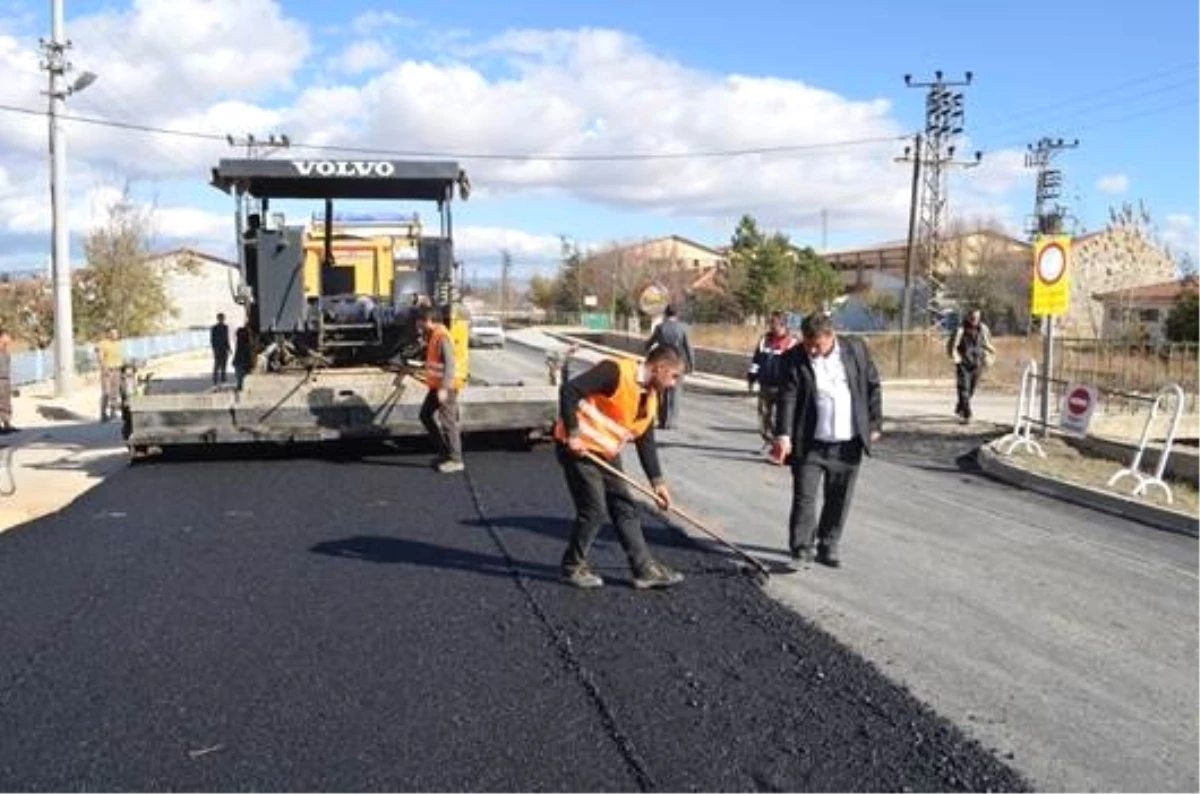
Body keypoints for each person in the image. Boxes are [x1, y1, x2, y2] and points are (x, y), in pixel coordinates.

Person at [554, 345, 687, 590]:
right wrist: (573, 433)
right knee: (594, 510)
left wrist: (658, 483)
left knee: (624, 505)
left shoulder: (650, 397)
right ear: (659, 368)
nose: (674, 384)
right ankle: (571, 567)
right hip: (577, 449)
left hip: (605, 452)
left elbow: (645, 441)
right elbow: (569, 390)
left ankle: (644, 569)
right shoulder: (615, 371)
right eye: (674, 376)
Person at [772, 313, 882, 570]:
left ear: (831, 336)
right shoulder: (793, 358)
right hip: (810, 442)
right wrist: (783, 436)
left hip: (847, 442)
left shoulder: (856, 350)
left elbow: (872, 385)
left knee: (840, 497)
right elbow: (787, 399)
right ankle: (801, 548)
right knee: (804, 498)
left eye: (816, 345)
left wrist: (875, 423)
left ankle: (828, 545)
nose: (811, 349)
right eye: (807, 343)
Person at [415, 305, 464, 473]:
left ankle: (456, 459)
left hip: (446, 388)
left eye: (421, 321)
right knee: (425, 416)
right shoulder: (434, 335)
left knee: (448, 422)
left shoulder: (442, 336)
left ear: (430, 320)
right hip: (436, 387)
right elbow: (435, 362)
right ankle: (444, 452)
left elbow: (450, 365)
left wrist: (444, 388)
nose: (419, 324)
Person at [747, 311, 798, 447]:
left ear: (783, 325)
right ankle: (769, 441)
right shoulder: (764, 340)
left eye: (774, 323)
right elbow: (756, 361)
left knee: (781, 418)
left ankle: (779, 444)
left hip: (784, 387)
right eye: (771, 323)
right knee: (764, 416)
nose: (771, 326)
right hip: (765, 385)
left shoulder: (792, 343)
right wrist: (752, 377)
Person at [644, 305, 693, 429]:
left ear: (666, 314)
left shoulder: (660, 327)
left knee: (663, 391)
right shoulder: (684, 328)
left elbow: (649, 343)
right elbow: (689, 348)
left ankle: (663, 420)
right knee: (676, 392)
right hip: (678, 363)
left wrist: (648, 356)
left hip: (663, 363)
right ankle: (672, 421)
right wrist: (691, 365)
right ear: (677, 315)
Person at [947, 309, 996, 424]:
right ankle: (967, 414)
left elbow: (988, 344)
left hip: (977, 363)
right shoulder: (960, 329)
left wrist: (988, 358)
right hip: (963, 363)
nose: (974, 319)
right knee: (964, 388)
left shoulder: (983, 329)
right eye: (972, 317)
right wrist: (956, 358)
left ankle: (960, 407)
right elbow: (951, 346)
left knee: (971, 390)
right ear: (968, 317)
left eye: (977, 317)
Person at [95, 328, 123, 423]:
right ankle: (103, 414)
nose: (114, 335)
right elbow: (100, 357)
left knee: (115, 393)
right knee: (106, 393)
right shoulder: (103, 343)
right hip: (107, 371)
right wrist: (104, 368)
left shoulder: (119, 344)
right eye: (112, 333)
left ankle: (113, 413)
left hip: (117, 370)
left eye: (116, 333)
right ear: (108, 334)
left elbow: (120, 358)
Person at [0, 329, 17, 434]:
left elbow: (9, 367)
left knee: (6, 403)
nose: (9, 339)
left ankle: (7, 424)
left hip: (6, 380)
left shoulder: (6, 352)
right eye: (7, 336)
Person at [211, 313, 231, 386]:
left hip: (224, 348)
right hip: (217, 348)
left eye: (222, 318)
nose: (221, 319)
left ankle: (223, 379)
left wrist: (229, 348)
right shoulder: (214, 328)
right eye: (220, 318)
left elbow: (226, 338)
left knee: (224, 365)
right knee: (217, 364)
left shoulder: (225, 327)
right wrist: (214, 349)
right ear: (218, 318)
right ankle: (215, 379)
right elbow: (212, 339)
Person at [232, 326, 254, 393]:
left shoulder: (242, 342)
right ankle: (240, 385)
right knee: (240, 373)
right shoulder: (247, 342)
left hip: (241, 361)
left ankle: (240, 385)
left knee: (239, 373)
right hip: (243, 361)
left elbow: (239, 352)